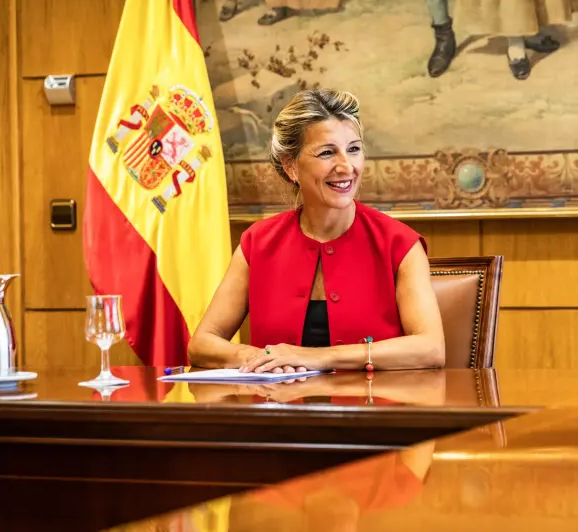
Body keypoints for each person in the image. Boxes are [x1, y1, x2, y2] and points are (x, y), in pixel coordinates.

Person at [187, 88, 446, 374]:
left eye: (354, 149)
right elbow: (201, 345)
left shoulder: (400, 244)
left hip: (373, 412)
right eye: (327, 153)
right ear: (291, 167)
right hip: (279, 412)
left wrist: (317, 357)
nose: (346, 166)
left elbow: (431, 348)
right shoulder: (257, 242)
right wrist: (263, 358)